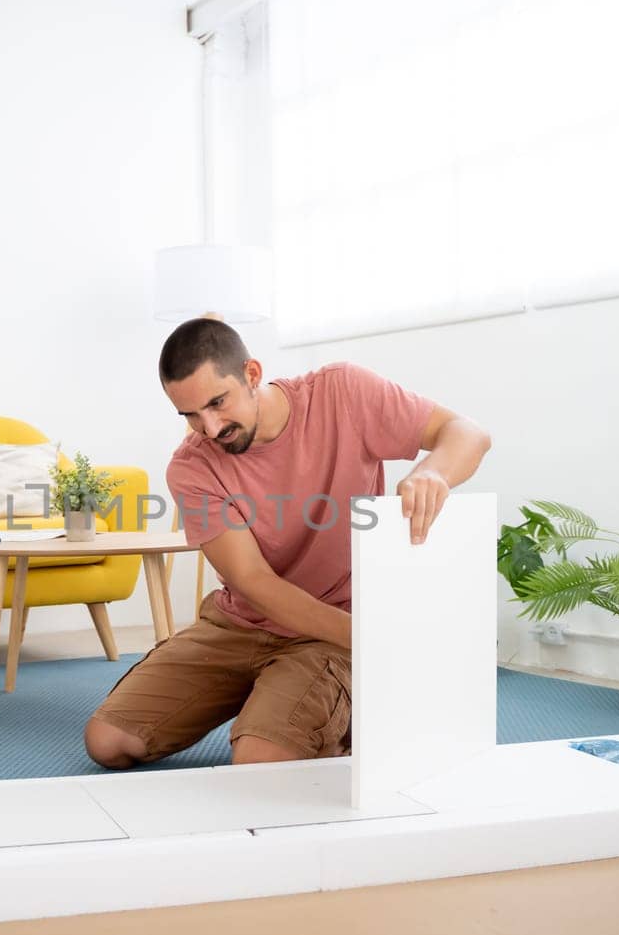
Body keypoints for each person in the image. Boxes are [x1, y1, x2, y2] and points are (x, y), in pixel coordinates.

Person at [84, 317, 492, 767]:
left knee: (259, 764)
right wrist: (373, 641)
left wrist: (433, 471)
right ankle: (274, 698)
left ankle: (326, 720)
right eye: (191, 415)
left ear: (252, 375)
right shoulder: (191, 467)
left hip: (330, 628)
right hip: (241, 625)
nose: (211, 427)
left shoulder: (343, 393)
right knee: (108, 742)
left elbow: (468, 433)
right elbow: (253, 581)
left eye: (218, 403)